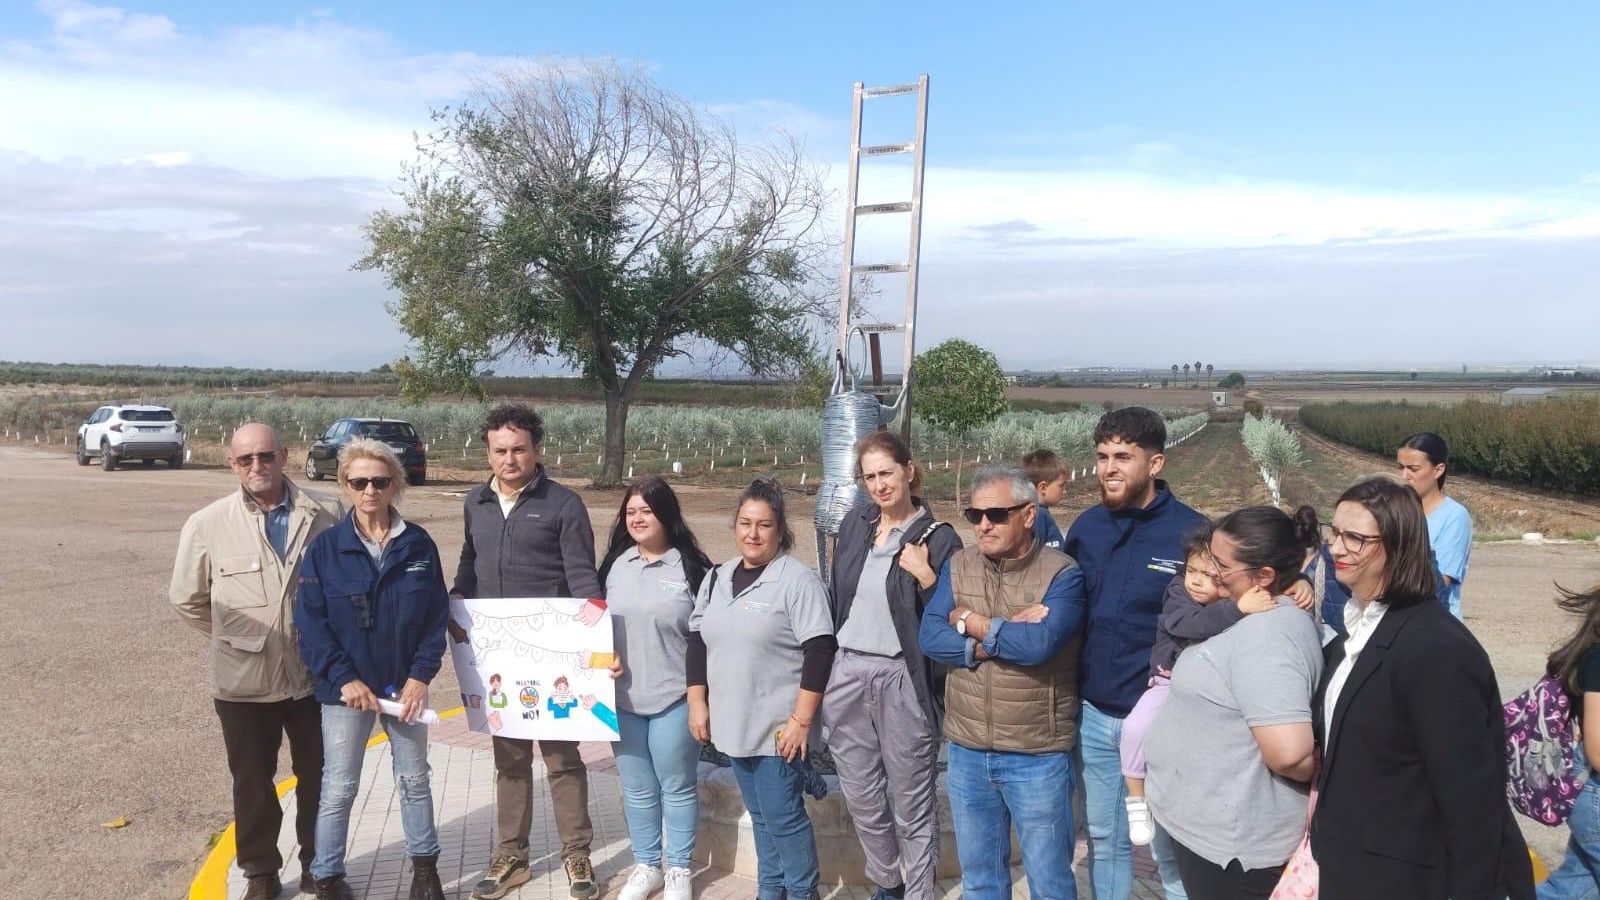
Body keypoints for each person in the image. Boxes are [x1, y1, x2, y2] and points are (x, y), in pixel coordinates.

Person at [1311, 476, 1532, 900]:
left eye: (1354, 538)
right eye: (1334, 532)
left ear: (1396, 545)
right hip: (1352, 866)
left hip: (1408, 878)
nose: (1336, 548)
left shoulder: (1436, 650)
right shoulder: (1352, 636)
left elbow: (1470, 797)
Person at [170, 423, 339, 900]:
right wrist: (239, 640)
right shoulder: (207, 523)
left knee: (321, 779)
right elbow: (187, 599)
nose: (257, 467)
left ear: (284, 455)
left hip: (314, 679)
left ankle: (319, 865)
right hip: (243, 685)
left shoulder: (326, 513)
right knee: (251, 783)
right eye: (246, 460)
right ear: (233, 464)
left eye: (265, 456)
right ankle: (261, 872)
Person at [451, 404, 607, 900]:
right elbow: (468, 563)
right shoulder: (475, 503)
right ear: (488, 452)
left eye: (519, 449)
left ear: (537, 449)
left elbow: (584, 579)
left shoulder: (563, 504)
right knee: (511, 760)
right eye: (500, 450)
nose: (509, 458)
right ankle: (512, 855)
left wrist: (596, 646)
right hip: (499, 658)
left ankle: (576, 853)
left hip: (552, 656)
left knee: (562, 758)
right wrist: (455, 608)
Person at [918, 464, 1087, 900]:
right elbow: (930, 635)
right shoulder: (959, 566)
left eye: (995, 515)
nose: (983, 525)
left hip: (1037, 755)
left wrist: (969, 620)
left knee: (1049, 882)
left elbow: (1039, 645)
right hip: (968, 751)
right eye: (974, 516)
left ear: (1028, 515)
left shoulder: (1062, 574)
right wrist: (993, 636)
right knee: (981, 882)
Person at [295, 438, 450, 900]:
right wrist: (344, 678)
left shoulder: (418, 544)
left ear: (394, 484)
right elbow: (311, 623)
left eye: (379, 481)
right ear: (345, 485)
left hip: (404, 690)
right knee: (339, 787)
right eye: (359, 482)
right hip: (346, 693)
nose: (369, 491)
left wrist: (421, 676)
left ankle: (425, 874)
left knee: (415, 780)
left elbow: (434, 616)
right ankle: (327, 877)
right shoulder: (325, 550)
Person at [1144, 507, 1324, 899]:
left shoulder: (1270, 635)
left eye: (1221, 567)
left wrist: (1331, 769)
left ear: (1264, 577)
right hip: (1211, 834)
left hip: (1235, 852)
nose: (1210, 574)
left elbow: (1290, 755)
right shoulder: (1239, 610)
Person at [1064, 408, 1205, 900]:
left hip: (1166, 721)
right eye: (1102, 456)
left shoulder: (1193, 534)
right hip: (1097, 716)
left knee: (1173, 847)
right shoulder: (1086, 529)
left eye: (1123, 456)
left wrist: (1294, 587)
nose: (1109, 468)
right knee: (1106, 838)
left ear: (1156, 462)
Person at [825, 431, 963, 900]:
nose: (880, 485)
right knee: (861, 795)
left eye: (887, 473)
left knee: (911, 802)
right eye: (870, 477)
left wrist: (925, 577)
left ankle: (920, 892)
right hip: (847, 672)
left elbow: (951, 616)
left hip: (902, 679)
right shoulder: (856, 525)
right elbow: (836, 596)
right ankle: (888, 882)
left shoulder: (939, 539)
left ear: (909, 470)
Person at [687, 480, 835, 900]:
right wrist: (698, 701)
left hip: (778, 729)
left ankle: (803, 893)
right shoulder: (717, 577)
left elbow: (820, 649)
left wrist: (801, 720)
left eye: (764, 525)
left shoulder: (796, 580)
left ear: (780, 529)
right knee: (763, 816)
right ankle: (771, 889)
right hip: (734, 724)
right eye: (745, 523)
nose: (753, 534)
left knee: (784, 817)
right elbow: (697, 638)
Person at [1120, 526, 1279, 847]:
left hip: (1209, 695)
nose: (1195, 579)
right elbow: (1186, 624)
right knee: (1135, 727)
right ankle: (1136, 800)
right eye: (1191, 570)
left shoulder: (1233, 597)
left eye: (1208, 575)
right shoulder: (1179, 594)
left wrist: (1301, 584)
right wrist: (1237, 609)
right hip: (1167, 682)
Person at [596, 477, 714, 900]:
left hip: (675, 698)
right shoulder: (614, 565)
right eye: (631, 512)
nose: (638, 518)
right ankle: (648, 866)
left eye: (646, 510)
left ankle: (679, 868)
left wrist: (703, 698)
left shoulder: (691, 568)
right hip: (622, 700)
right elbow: (590, 627)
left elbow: (708, 636)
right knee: (638, 789)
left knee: (677, 785)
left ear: (666, 514)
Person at [1536, 583, 1600, 900]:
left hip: (1590, 793)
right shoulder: (1599, 660)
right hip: (1596, 792)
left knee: (1574, 889)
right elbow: (1597, 748)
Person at [1396, 431, 1472, 619]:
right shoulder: (1397, 511)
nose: (1405, 476)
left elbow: (1439, 582)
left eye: (1413, 469)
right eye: (1400, 467)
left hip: (1435, 622)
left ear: (1438, 470)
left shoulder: (1455, 516)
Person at [1023, 448, 1069, 551]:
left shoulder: (1037, 513)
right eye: (1061, 486)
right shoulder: (1038, 516)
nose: (1065, 491)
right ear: (1043, 488)